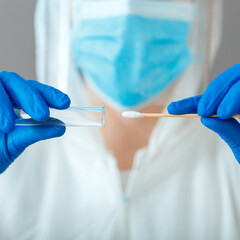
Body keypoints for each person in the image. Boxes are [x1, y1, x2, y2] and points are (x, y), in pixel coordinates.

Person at [1, 0, 240, 239]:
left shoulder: (232, 166)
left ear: (204, 6)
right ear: (63, 7)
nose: (129, 6)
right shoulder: (10, 174)